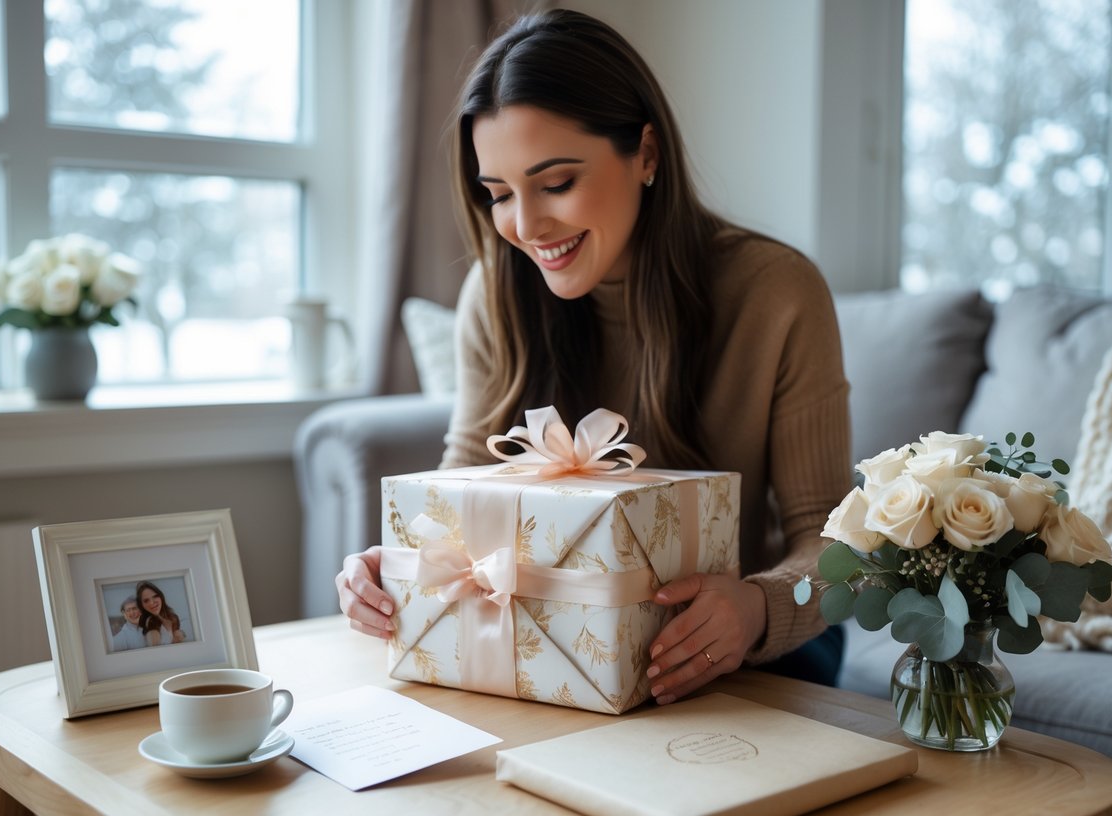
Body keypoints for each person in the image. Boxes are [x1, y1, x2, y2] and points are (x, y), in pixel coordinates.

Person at [336, 9, 851, 704]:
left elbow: (835, 539)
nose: (524, 226)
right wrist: (398, 565)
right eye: (498, 194)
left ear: (645, 153)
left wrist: (756, 606)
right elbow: (459, 491)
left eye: (554, 184)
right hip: (558, 639)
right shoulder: (494, 293)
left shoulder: (776, 293)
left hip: (752, 643)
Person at [136, 580, 187, 647]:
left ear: (161, 597)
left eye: (155, 596)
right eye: (146, 601)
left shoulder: (173, 617)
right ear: (141, 605)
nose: (152, 603)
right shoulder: (147, 621)